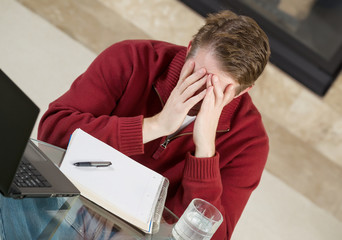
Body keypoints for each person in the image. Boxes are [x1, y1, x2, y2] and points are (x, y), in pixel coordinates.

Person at [38, 10, 270, 239]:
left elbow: (213, 237)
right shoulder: (132, 57)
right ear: (189, 50)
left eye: (218, 91)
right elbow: (51, 133)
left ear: (243, 92)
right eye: (198, 77)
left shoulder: (251, 143)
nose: (200, 95)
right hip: (68, 196)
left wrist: (205, 153)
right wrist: (155, 126)